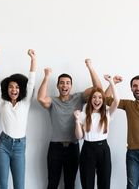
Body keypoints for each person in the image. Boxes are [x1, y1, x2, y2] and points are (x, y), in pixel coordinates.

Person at [37, 59, 102, 189]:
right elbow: (41, 99)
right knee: (52, 182)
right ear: (57, 86)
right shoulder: (53, 101)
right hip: (55, 147)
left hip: (73, 147)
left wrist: (90, 67)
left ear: (71, 86)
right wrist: (46, 77)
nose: (64, 86)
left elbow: (98, 89)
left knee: (70, 183)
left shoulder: (79, 98)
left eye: (67, 83)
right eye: (61, 83)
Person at [0, 47, 36, 189]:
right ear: (7, 89)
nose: (14, 90)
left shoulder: (25, 102)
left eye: (16, 87)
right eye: (11, 87)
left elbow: (31, 84)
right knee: (2, 185)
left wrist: (33, 60)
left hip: (19, 146)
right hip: (3, 145)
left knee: (19, 185)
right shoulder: (2, 102)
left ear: (20, 89)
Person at [74, 74, 119, 189]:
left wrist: (111, 82)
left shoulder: (107, 113)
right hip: (87, 149)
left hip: (103, 149)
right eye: (94, 97)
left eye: (100, 97)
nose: (97, 100)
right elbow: (79, 136)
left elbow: (117, 101)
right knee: (87, 183)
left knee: (104, 183)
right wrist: (76, 121)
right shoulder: (83, 115)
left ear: (103, 100)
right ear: (90, 100)